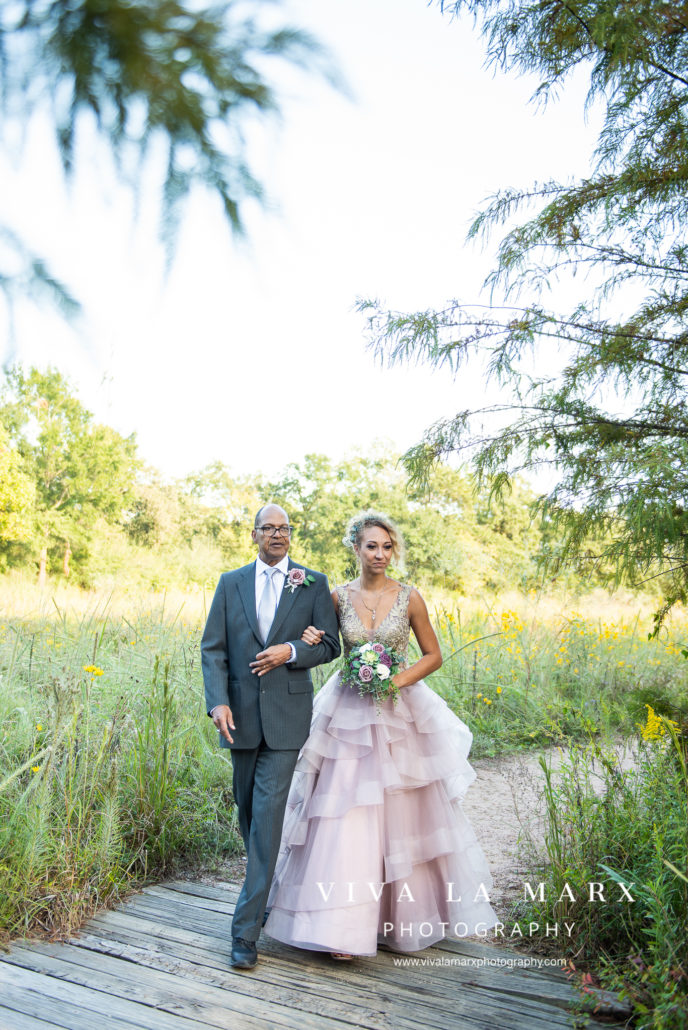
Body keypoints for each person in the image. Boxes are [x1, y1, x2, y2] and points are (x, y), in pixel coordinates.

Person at [264, 510, 499, 958]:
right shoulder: (335, 597)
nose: (380, 554)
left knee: (402, 812)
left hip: (399, 709)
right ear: (355, 548)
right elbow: (325, 645)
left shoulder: (410, 598)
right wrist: (313, 634)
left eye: (387, 547)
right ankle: (342, 927)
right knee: (346, 812)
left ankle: (401, 917)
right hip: (347, 711)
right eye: (371, 546)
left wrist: (395, 681)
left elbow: (433, 655)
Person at [201, 503, 340, 970]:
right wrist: (217, 701)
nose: (277, 535)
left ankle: (244, 935)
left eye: (285, 529)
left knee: (265, 820)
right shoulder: (229, 583)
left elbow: (331, 645)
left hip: (285, 718)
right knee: (249, 815)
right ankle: (264, 893)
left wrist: (292, 650)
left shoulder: (313, 583)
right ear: (254, 534)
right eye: (269, 528)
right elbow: (213, 649)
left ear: (291, 535)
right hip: (237, 717)